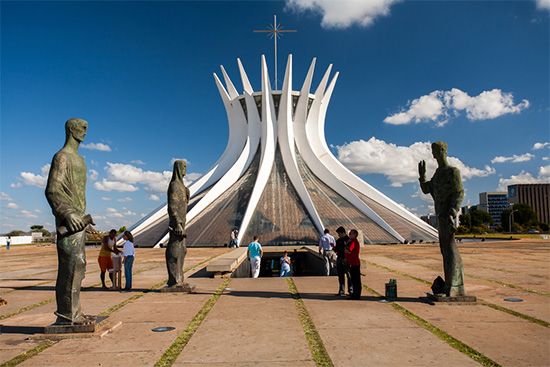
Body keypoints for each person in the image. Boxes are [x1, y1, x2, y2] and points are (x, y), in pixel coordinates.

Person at [419, 141, 466, 297]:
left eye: (437, 150)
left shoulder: (452, 171)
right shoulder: (438, 174)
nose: (434, 154)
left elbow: (459, 192)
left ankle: (455, 286)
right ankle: (450, 285)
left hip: (448, 215)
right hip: (440, 215)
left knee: (450, 248)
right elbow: (427, 189)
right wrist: (422, 176)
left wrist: (452, 211)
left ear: (444, 151)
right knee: (445, 250)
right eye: (433, 151)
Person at [335, 226, 352, 296]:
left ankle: (350, 290)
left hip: (346, 259)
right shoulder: (338, 240)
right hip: (339, 258)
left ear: (343, 233)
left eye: (339, 234)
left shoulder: (348, 240)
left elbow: (350, 250)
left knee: (349, 275)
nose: (338, 235)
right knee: (340, 275)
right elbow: (336, 249)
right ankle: (341, 291)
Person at [345, 229, 362, 300]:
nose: (349, 235)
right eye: (349, 234)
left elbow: (349, 250)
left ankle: (356, 294)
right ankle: (355, 293)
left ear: (355, 235)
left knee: (355, 280)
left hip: (354, 263)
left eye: (351, 234)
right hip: (352, 262)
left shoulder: (354, 242)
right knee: (354, 279)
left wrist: (346, 247)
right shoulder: (352, 241)